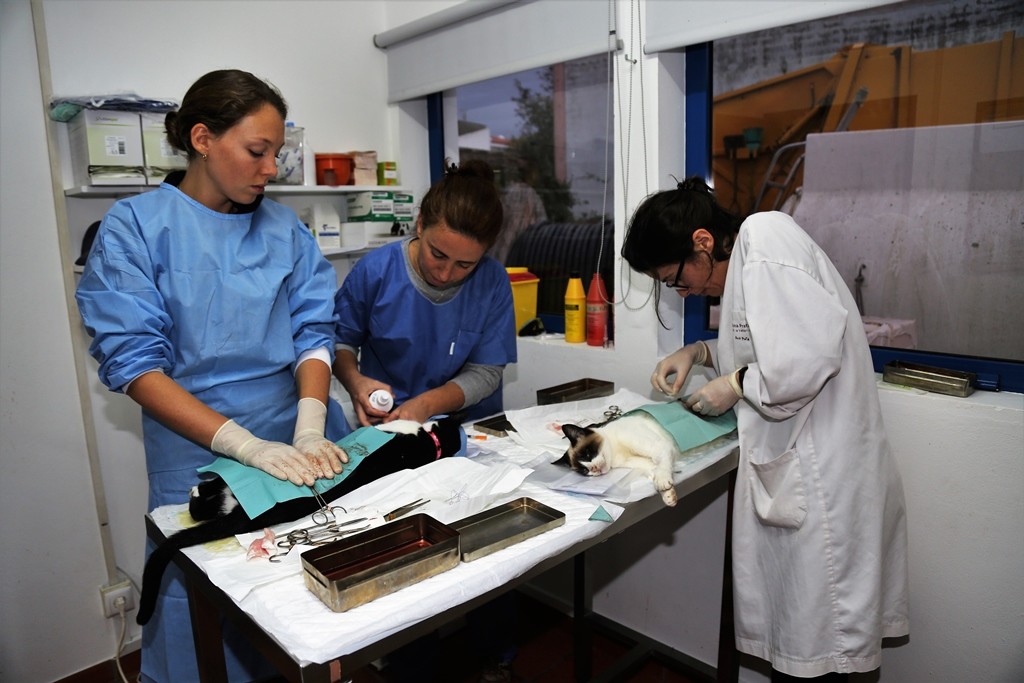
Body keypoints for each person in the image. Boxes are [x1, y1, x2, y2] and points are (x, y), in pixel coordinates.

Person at [76, 69, 351, 683]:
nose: (270, 168)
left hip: (296, 439)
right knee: (203, 601)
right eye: (258, 151)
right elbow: (136, 365)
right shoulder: (137, 227)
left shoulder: (284, 229)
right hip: (195, 448)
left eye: (277, 153)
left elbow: (313, 332)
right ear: (202, 138)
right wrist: (242, 446)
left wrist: (309, 425)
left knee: (307, 592)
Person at [621, 177, 909, 681]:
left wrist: (730, 385)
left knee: (831, 645)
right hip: (804, 474)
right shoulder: (747, 267)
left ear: (703, 242)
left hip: (827, 483)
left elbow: (799, 360)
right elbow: (765, 338)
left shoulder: (767, 236)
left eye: (676, 279)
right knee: (808, 641)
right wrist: (699, 352)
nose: (682, 292)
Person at [333, 159, 518, 426]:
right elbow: (340, 342)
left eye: (465, 265)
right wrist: (355, 382)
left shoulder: (493, 281)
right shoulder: (375, 272)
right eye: (438, 254)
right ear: (420, 224)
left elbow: (486, 371)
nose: (444, 274)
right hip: (389, 423)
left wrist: (426, 404)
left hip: (469, 428)